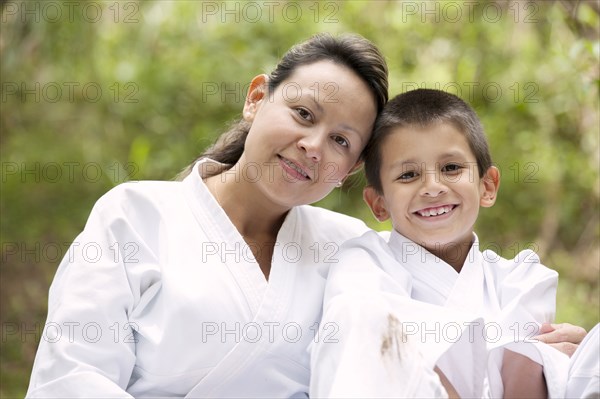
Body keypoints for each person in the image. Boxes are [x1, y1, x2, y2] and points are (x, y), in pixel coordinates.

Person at [26, 33, 389, 398]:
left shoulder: (350, 249)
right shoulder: (133, 217)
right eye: (303, 114)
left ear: (352, 167)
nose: (313, 147)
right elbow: (71, 376)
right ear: (257, 98)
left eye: (341, 141)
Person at [310, 89, 599, 398]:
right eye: (408, 175)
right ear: (378, 203)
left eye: (451, 168)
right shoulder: (364, 262)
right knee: (360, 314)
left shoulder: (521, 277)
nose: (432, 188)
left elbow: (525, 385)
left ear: (487, 186)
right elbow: (372, 348)